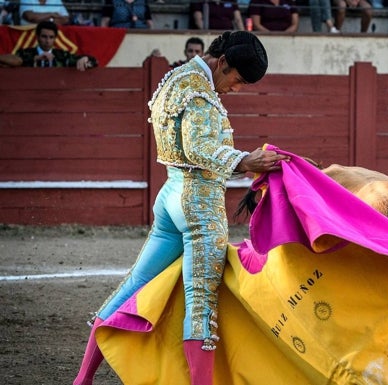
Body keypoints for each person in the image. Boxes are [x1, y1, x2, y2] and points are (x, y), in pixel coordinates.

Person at [72, 30, 289, 385]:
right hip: (199, 203)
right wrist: (245, 160)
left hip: (171, 193)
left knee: (133, 284)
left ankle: (82, 380)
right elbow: (198, 148)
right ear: (222, 62)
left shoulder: (176, 77)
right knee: (201, 302)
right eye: (236, 80)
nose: (235, 89)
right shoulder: (200, 93)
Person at [4, 21, 97, 70]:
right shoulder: (25, 53)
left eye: (51, 37)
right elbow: (13, 61)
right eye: (44, 36)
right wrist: (34, 59)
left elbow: (95, 62)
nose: (47, 41)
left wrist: (86, 59)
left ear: (55, 38)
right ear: (37, 37)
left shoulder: (62, 56)